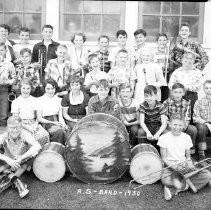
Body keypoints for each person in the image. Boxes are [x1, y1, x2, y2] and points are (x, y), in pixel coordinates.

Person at [158, 115, 211, 201]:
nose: (177, 127)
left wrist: (189, 164)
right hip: (170, 167)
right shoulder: (163, 138)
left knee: (207, 174)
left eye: (180, 125)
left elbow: (188, 157)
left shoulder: (186, 137)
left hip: (184, 165)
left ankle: (176, 188)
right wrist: (174, 167)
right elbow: (164, 158)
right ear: (170, 124)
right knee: (165, 180)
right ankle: (187, 185)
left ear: (184, 126)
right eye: (175, 124)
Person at [0, 116, 41, 198]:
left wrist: (21, 157)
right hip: (9, 161)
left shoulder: (25, 134)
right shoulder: (3, 136)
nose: (15, 130)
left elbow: (37, 146)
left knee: (31, 155)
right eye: (12, 128)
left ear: (21, 127)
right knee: (2, 167)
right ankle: (17, 182)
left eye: (17, 127)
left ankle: (8, 181)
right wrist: (7, 159)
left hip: (22, 162)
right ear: (7, 127)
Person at [11, 78, 49, 147]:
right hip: (21, 125)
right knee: (29, 139)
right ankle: (30, 155)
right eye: (24, 88)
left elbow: (38, 117)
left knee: (44, 135)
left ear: (31, 89)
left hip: (34, 124)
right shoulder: (16, 102)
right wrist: (27, 127)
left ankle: (41, 156)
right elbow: (16, 120)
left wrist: (35, 124)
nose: (26, 91)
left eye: (28, 88)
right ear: (20, 88)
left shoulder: (35, 100)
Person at [163, 83, 197, 155]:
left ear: (183, 93)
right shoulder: (166, 102)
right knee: (165, 132)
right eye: (175, 92)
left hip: (182, 126)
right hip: (170, 126)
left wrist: (184, 126)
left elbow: (187, 118)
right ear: (172, 92)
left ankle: (190, 153)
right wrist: (172, 126)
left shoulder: (186, 103)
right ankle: (170, 153)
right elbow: (164, 118)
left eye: (180, 92)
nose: (177, 94)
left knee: (193, 129)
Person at [168, 52, 203, 122]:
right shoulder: (177, 72)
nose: (188, 62)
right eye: (185, 60)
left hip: (191, 95)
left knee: (191, 115)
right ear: (182, 60)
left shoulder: (197, 72)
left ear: (193, 61)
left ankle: (191, 130)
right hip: (178, 96)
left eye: (190, 60)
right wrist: (179, 89)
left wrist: (185, 87)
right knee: (178, 115)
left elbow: (198, 86)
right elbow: (171, 85)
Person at [36, 79, 68, 145]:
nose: (50, 91)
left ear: (55, 88)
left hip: (56, 121)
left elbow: (60, 116)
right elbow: (39, 118)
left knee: (66, 130)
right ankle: (55, 150)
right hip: (45, 122)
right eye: (48, 88)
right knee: (60, 132)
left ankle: (62, 150)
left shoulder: (59, 100)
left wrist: (63, 124)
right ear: (44, 89)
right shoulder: (39, 100)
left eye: (52, 88)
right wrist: (52, 122)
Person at [138, 85, 168, 151]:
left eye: (151, 95)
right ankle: (143, 150)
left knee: (165, 133)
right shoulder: (142, 105)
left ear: (156, 96)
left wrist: (158, 133)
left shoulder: (160, 106)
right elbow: (142, 122)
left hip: (158, 125)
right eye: (146, 96)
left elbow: (164, 123)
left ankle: (161, 152)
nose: (148, 98)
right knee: (140, 132)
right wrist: (148, 132)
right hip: (147, 125)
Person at [193, 80, 211, 161]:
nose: (209, 90)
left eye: (210, 88)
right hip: (204, 125)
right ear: (203, 89)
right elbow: (195, 117)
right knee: (201, 127)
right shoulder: (199, 102)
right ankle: (201, 152)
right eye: (206, 88)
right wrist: (206, 123)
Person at [0, 42, 16, 126]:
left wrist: (8, 81)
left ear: (5, 51)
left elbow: (14, 78)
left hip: (4, 89)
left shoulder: (9, 64)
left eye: (1, 50)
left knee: (3, 114)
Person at [154, 33, 171, 102]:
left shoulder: (169, 53)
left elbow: (172, 65)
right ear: (157, 42)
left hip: (166, 77)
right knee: (157, 95)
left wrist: (168, 67)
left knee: (164, 96)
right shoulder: (154, 52)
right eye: (160, 40)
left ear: (167, 41)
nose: (162, 42)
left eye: (164, 40)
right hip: (157, 77)